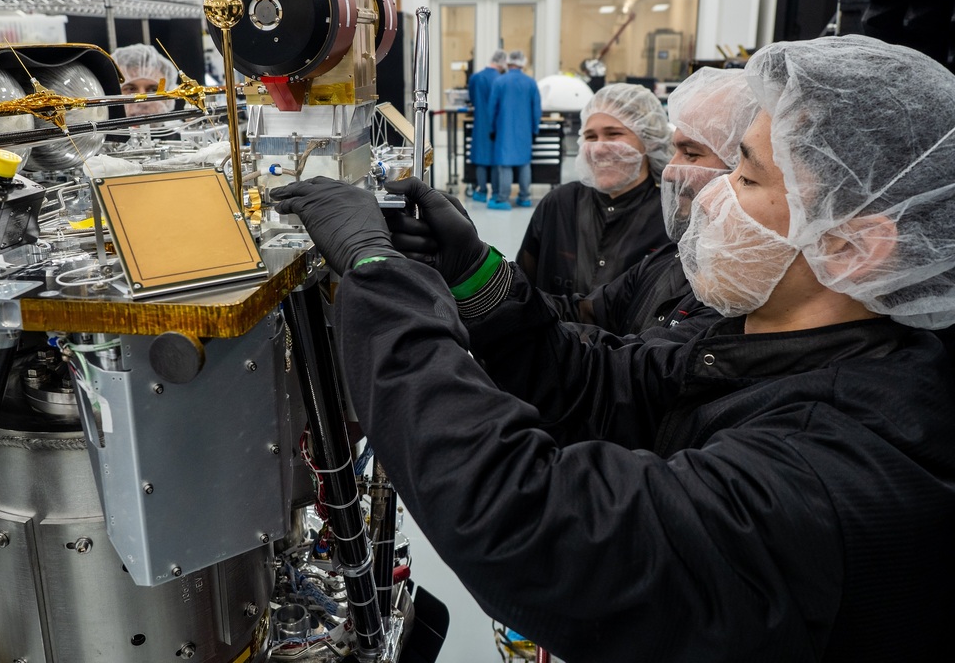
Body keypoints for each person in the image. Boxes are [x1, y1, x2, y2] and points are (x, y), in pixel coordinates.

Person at [270, 35, 955, 662]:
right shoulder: (780, 346)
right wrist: (473, 272)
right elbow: (605, 380)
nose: (707, 194)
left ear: (854, 247)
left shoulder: (833, 474)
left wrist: (379, 276)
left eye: (744, 178)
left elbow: (521, 516)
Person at [551, 67, 760, 335]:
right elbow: (591, 309)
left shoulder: (739, 293)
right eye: (590, 136)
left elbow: (630, 364)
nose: (671, 171)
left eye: (691, 154)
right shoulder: (672, 258)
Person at [518, 83, 672, 298]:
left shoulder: (669, 216)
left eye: (613, 134)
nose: (598, 149)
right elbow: (522, 288)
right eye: (590, 137)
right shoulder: (559, 204)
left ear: (650, 141)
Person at [485, 49, 541, 210]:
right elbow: (536, 109)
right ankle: (524, 197)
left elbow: (492, 109)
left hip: (504, 130)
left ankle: (503, 199)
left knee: (505, 164)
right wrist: (534, 129)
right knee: (524, 164)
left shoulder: (500, 82)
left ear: (508, 63)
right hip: (525, 131)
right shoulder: (531, 83)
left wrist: (492, 128)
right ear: (522, 63)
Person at [466, 49, 507, 202]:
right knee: (496, 160)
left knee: (481, 159)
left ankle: (482, 191)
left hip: (480, 123)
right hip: (497, 125)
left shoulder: (476, 78)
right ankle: (495, 193)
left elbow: (472, 99)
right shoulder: (501, 80)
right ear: (502, 63)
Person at [111, 43, 178, 118]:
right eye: (131, 89)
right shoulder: (100, 129)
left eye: (153, 90)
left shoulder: (182, 128)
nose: (143, 102)